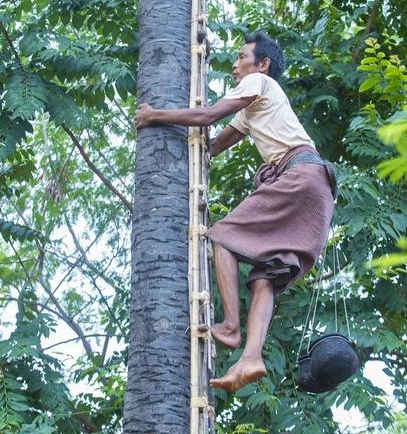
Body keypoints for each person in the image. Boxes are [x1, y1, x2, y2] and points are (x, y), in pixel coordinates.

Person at [135, 31, 335, 393]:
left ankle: (230, 326)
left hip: (299, 176)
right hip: (317, 192)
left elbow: (210, 114)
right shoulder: (254, 107)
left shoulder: (260, 82)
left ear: (263, 64)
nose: (234, 65)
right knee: (265, 277)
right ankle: (251, 357)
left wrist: (155, 115)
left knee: (222, 236)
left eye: (241, 57)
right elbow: (216, 144)